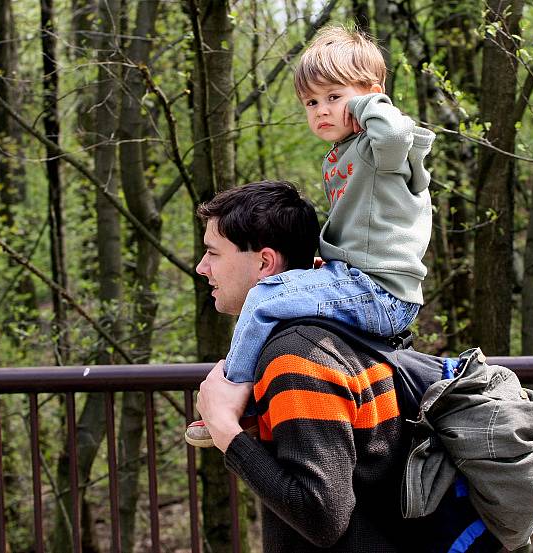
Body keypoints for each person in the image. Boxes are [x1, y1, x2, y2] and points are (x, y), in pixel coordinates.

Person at [185, 25, 435, 447]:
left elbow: (394, 133)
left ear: (371, 93)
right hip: (359, 280)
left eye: (334, 98)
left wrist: (369, 103)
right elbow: (356, 229)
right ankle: (260, 405)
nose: (321, 110)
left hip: (380, 291)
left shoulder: (382, 149)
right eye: (311, 102)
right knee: (283, 294)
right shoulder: (343, 156)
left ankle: (234, 395)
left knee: (265, 295)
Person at [194, 179, 419, 551]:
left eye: (213, 253)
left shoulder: (297, 358)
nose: (202, 268)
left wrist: (225, 430)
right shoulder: (339, 331)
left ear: (265, 262)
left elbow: (322, 516)